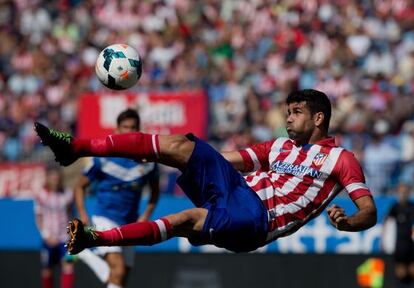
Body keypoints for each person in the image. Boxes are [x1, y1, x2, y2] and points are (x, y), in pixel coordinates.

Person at [34, 89, 377, 255]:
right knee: (184, 146)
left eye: (297, 111)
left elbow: (369, 212)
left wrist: (348, 222)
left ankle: (99, 238)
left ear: (318, 118)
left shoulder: (341, 159)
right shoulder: (277, 147)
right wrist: (167, 157)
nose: (288, 117)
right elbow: (222, 159)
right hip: (237, 190)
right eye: (287, 111)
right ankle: (75, 150)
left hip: (258, 219)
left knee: (187, 218)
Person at [74, 108, 160, 288]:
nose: (129, 131)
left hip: (130, 223)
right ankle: (88, 252)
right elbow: (80, 186)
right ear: (117, 130)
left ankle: (87, 254)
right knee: (118, 269)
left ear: (139, 130)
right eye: (125, 127)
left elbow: (155, 192)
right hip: (105, 217)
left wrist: (145, 216)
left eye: (133, 127)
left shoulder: (148, 162)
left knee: (121, 277)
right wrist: (83, 215)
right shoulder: (103, 157)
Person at [34, 167, 74, 288]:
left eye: (57, 178)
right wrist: (46, 235)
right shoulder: (41, 195)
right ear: (47, 179)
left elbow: (70, 214)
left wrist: (71, 235)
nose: (55, 181)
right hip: (49, 238)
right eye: (52, 178)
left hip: (64, 238)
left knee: (69, 266)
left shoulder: (67, 194)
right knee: (47, 269)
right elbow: (38, 217)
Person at [382, 183, 414, 288]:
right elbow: (387, 225)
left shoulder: (412, 207)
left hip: (411, 245)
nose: (403, 194)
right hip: (399, 246)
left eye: (405, 192)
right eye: (401, 192)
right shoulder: (394, 208)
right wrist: (384, 240)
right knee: (401, 273)